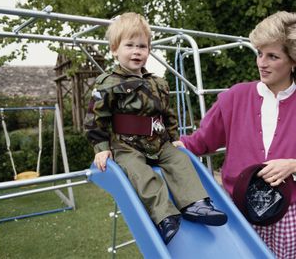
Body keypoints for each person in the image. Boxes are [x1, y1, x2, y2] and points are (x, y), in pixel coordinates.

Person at [173, 11, 296, 258]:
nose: (262, 62)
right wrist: (168, 146)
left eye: (273, 56)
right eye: (260, 53)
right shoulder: (233, 98)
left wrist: (295, 166)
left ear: (295, 61)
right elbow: (200, 142)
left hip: (288, 218)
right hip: (237, 212)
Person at [84, 12, 227, 245]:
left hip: (157, 142)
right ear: (114, 49)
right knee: (140, 173)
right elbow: (95, 118)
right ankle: (165, 216)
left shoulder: (158, 82)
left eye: (142, 46)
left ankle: (195, 204)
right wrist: (101, 147)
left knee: (180, 160)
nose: (137, 51)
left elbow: (167, 115)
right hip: (126, 146)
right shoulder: (107, 83)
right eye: (129, 45)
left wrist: (173, 138)